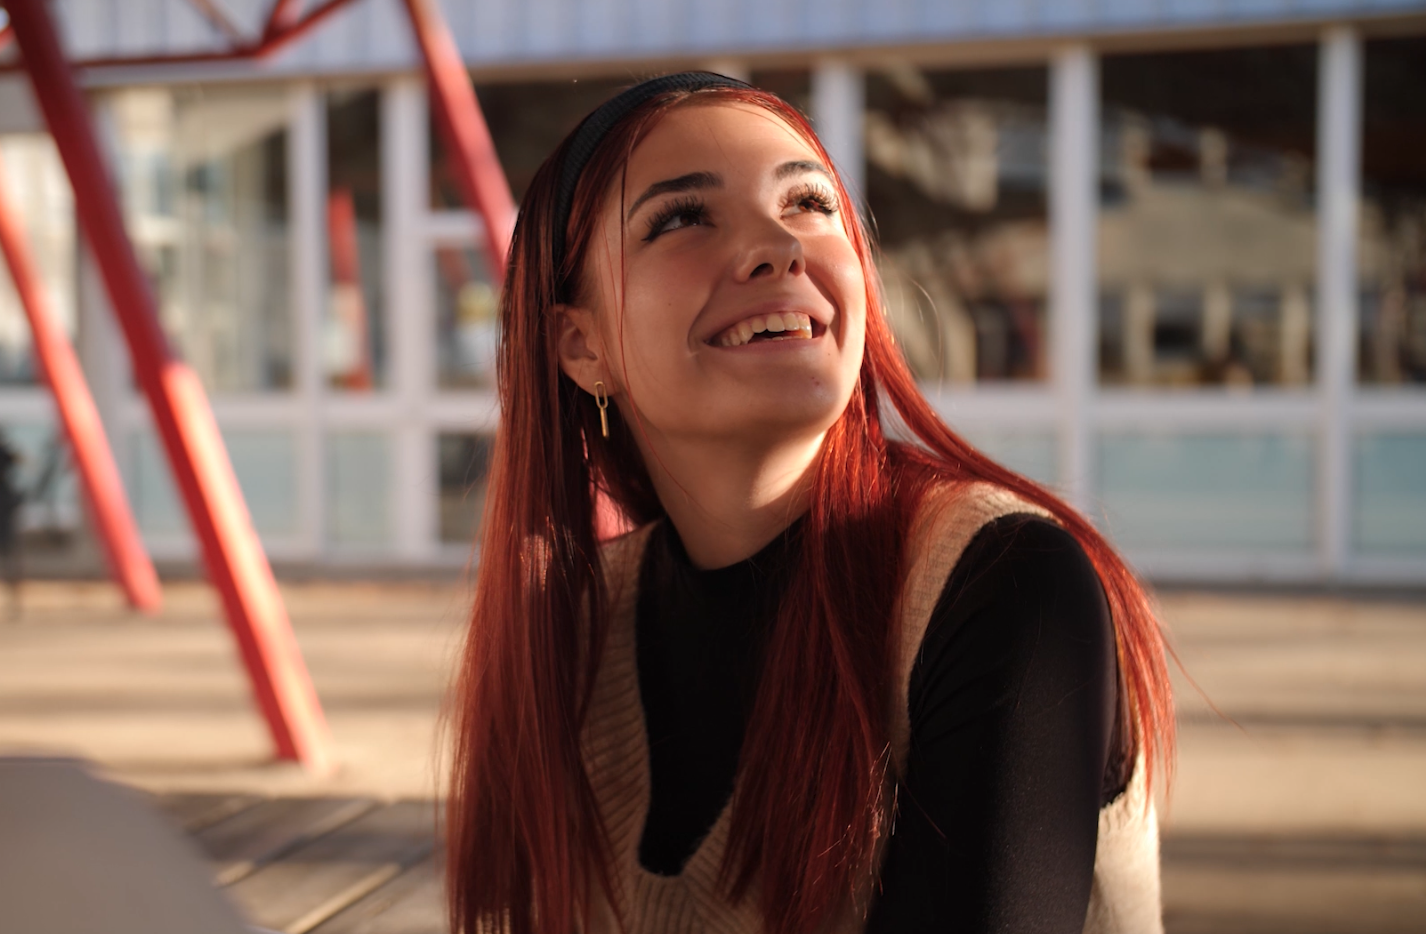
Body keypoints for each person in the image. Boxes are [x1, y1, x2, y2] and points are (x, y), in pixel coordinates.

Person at [446, 73, 1174, 934]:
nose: (778, 248)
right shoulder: (572, 631)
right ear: (581, 344)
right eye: (683, 217)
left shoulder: (1003, 585)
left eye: (807, 202)